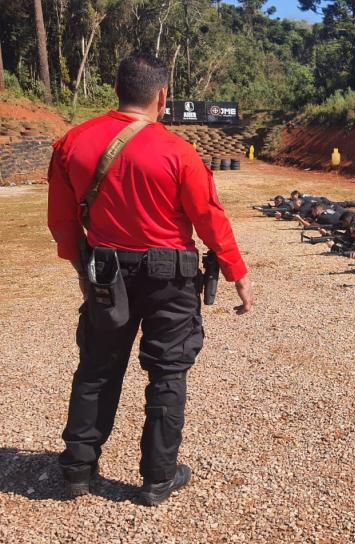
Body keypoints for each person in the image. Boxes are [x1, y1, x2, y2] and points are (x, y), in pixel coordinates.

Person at [46, 52, 253, 506]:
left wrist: (84, 271)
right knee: (167, 373)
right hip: (170, 279)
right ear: (162, 96)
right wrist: (236, 271)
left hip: (107, 274)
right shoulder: (179, 151)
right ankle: (158, 478)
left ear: (117, 89)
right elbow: (208, 217)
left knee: (97, 368)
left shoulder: (71, 143)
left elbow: (62, 223)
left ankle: (78, 468)